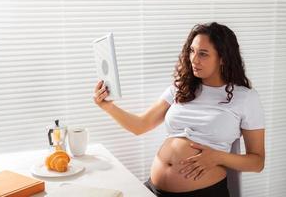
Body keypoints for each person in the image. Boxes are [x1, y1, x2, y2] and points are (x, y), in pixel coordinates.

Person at [93, 22, 265, 197]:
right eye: (192, 51)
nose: (194, 59)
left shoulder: (245, 98)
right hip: (154, 189)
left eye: (203, 54)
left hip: (204, 192)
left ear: (223, 58)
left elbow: (257, 162)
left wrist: (218, 157)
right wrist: (107, 106)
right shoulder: (181, 88)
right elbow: (140, 125)